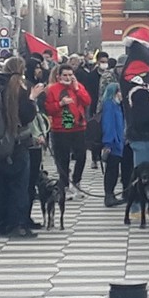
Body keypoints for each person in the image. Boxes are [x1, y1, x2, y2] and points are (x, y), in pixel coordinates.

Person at [0, 57, 43, 238]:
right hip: (18, 141)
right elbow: (26, 116)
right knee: (19, 185)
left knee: (0, 184)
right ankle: (17, 225)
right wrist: (32, 99)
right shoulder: (22, 86)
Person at [45, 64, 92, 200]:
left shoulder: (78, 86)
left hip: (78, 127)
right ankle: (64, 185)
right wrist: (60, 104)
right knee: (62, 159)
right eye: (65, 75)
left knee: (81, 156)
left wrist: (77, 89)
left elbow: (87, 101)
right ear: (59, 76)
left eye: (70, 75)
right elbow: (48, 108)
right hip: (60, 129)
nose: (68, 78)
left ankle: (76, 181)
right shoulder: (52, 89)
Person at [101, 83, 126, 207]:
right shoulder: (109, 105)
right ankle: (109, 195)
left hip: (119, 141)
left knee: (115, 170)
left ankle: (111, 194)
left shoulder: (117, 105)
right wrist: (108, 143)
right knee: (111, 170)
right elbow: (108, 124)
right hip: (113, 143)